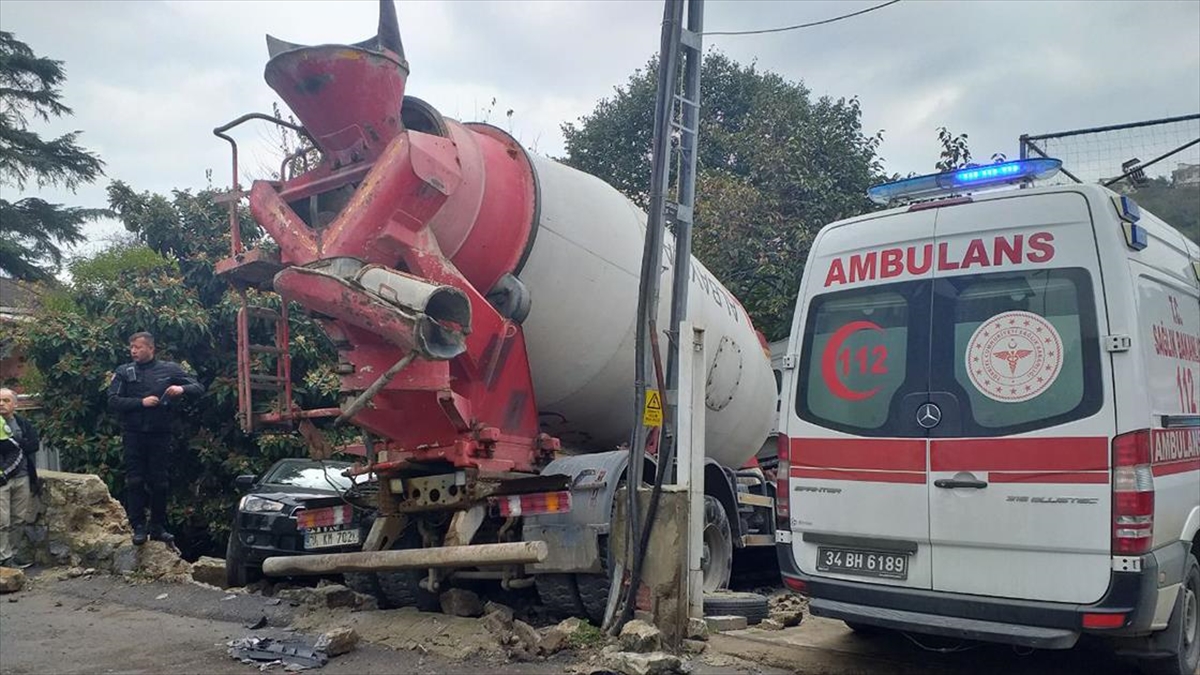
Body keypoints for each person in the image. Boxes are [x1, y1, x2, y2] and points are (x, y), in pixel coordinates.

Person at [107, 332, 204, 546]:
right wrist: (141, 402)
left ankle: (158, 527)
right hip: (133, 433)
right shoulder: (124, 371)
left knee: (160, 483)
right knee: (135, 480)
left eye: (138, 347)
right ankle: (138, 527)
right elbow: (113, 401)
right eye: (131, 347)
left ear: (151, 348)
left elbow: (198, 387)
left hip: (160, 433)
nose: (133, 351)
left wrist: (181, 388)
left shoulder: (170, 369)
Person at [0, 387, 36, 567]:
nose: (1, 404)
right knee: (2, 521)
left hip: (22, 476)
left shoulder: (22, 423)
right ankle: (3, 557)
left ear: (15, 404)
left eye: (6, 400)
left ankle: (11, 556)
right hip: (2, 479)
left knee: (19, 519)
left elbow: (33, 445)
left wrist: (17, 443)